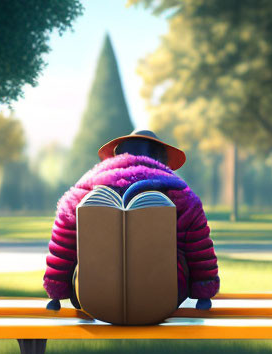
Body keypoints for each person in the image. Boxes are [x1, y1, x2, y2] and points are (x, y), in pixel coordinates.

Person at [44, 129, 219, 311]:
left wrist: (56, 294)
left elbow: (63, 246)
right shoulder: (183, 197)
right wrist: (204, 293)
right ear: (161, 160)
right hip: (164, 297)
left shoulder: (80, 194)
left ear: (117, 156)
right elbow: (199, 250)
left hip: (91, 296)